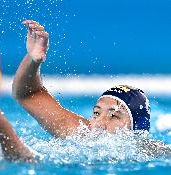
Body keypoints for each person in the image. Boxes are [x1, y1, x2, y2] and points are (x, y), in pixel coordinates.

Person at [12, 20, 151, 138]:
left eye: (114, 116)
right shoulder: (83, 135)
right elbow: (27, 94)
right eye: (96, 113)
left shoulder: (153, 153)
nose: (99, 124)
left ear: (137, 128)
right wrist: (33, 60)